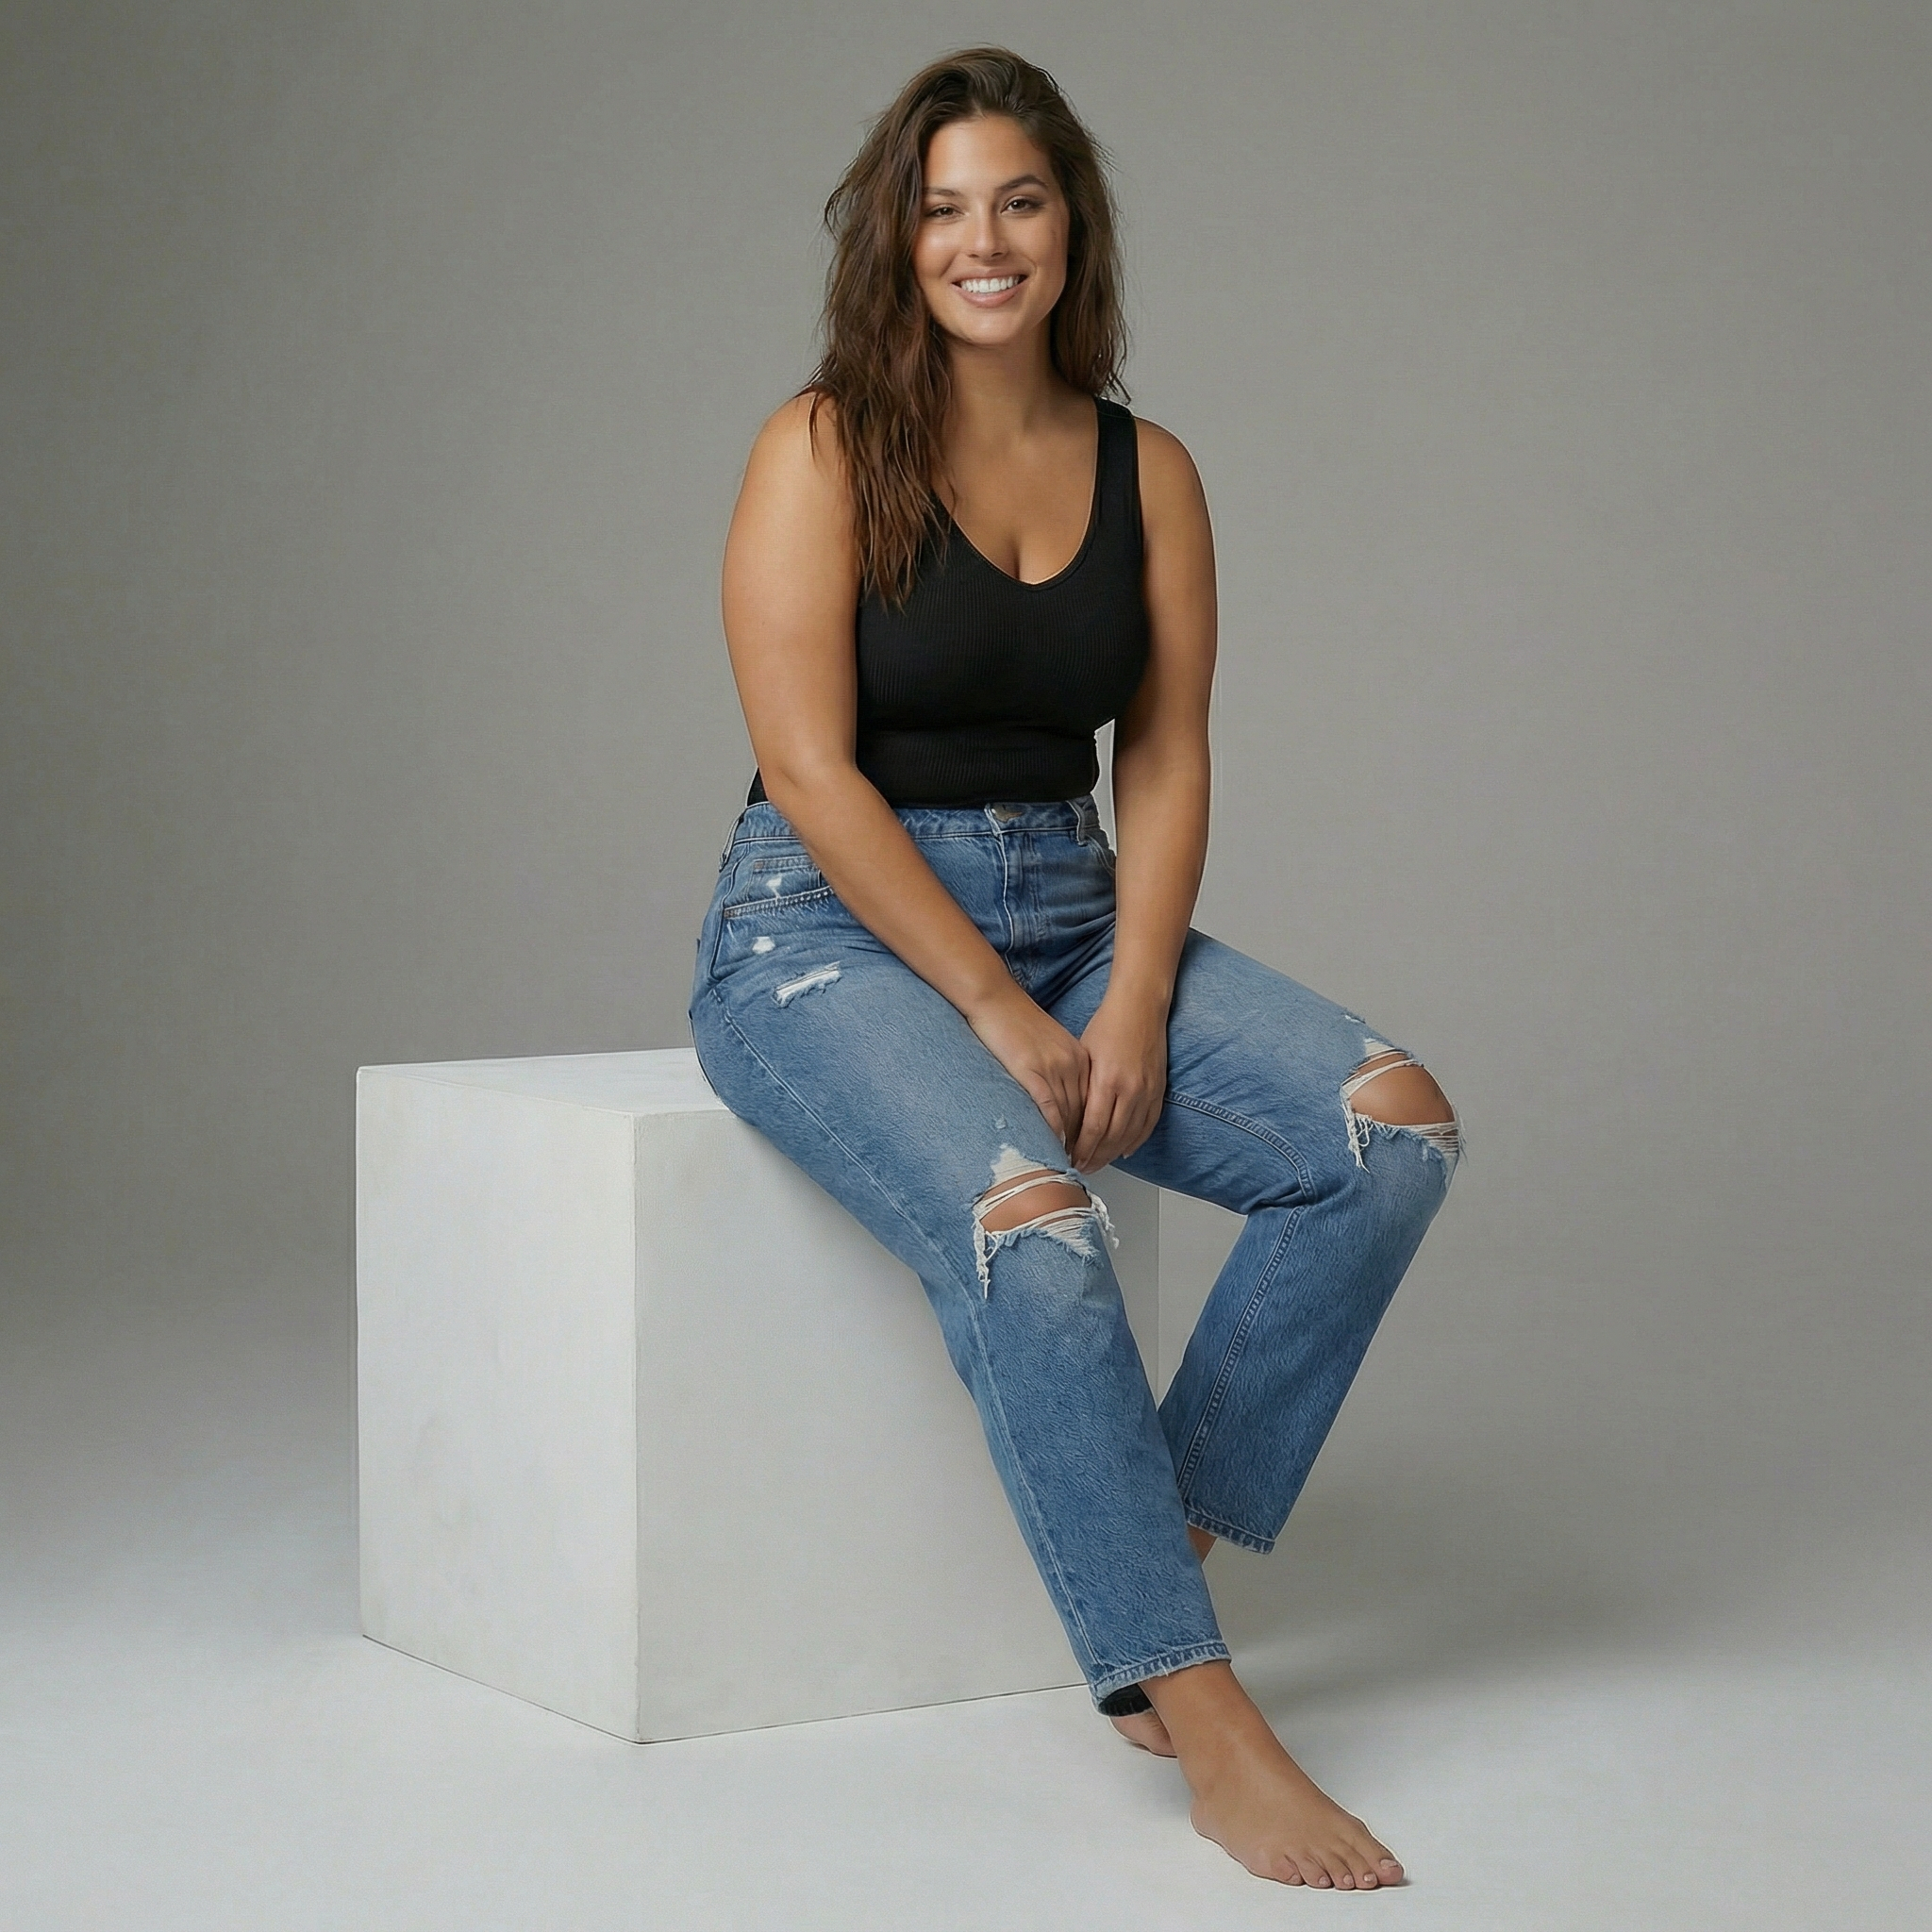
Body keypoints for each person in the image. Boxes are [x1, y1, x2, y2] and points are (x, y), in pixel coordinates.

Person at [689, 45, 1460, 1891]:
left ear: (1069, 228)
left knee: (1391, 1136)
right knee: (1037, 1222)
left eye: (1017, 201)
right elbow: (809, 769)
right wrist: (994, 1007)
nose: (982, 239)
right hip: (822, 931)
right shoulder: (816, 447)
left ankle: (1141, 1562)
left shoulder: (1152, 469)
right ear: (898, 236)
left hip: (1076, 904)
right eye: (943, 205)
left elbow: (1171, 754)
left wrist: (1124, 990)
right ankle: (1202, 1721)